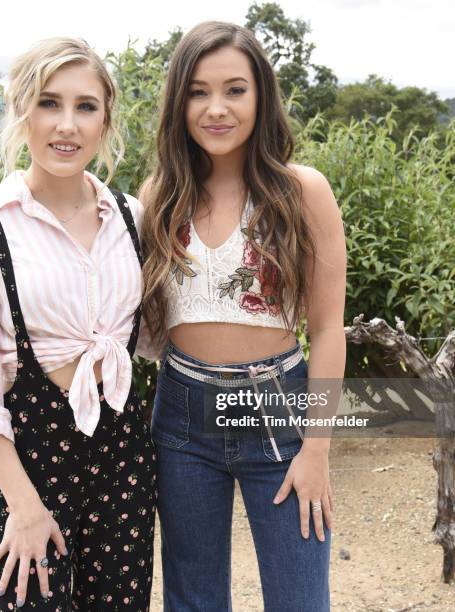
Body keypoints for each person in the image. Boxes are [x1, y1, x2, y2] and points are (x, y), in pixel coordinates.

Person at [0, 37, 156, 611]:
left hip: (125, 463)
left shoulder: (131, 218)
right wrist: (24, 506)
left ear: (106, 119)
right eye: (48, 103)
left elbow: (158, 337)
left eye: (86, 106)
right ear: (20, 110)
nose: (67, 125)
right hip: (31, 466)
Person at [139, 21, 346, 612]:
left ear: (262, 96)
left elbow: (329, 328)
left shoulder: (301, 191)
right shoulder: (161, 195)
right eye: (198, 92)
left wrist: (318, 449)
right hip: (180, 416)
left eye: (235, 89)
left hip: (279, 407)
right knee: (193, 597)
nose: (216, 108)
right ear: (179, 102)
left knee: (299, 598)